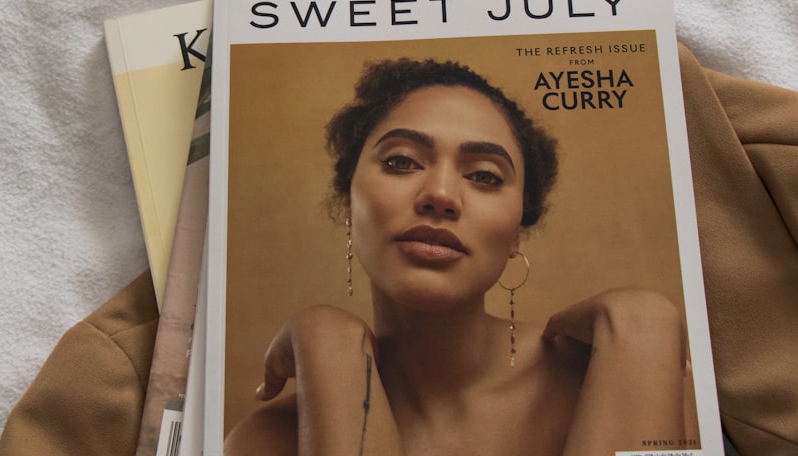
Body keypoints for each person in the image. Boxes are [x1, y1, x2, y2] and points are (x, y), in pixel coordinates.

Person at [224, 58, 690, 456]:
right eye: (401, 161)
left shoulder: (622, 373)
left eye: (485, 176)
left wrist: (643, 324)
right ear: (349, 203)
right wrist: (328, 342)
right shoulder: (271, 441)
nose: (441, 195)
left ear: (516, 232)